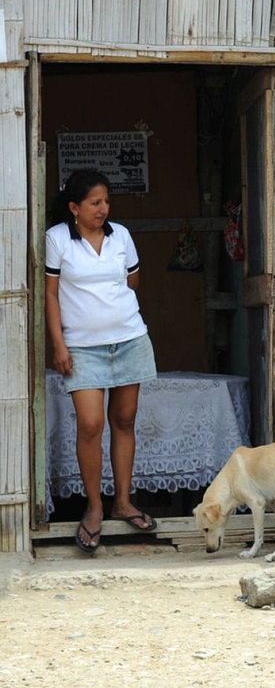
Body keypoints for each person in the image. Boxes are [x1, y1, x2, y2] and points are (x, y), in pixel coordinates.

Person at [44, 169, 159, 554]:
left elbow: (133, 283)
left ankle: (122, 502)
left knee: (124, 420)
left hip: (129, 339)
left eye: (106, 201)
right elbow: (51, 296)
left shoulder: (121, 236)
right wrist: (59, 346)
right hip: (82, 348)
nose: (103, 209)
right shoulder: (58, 239)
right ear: (74, 207)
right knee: (91, 425)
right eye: (95, 203)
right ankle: (94, 509)